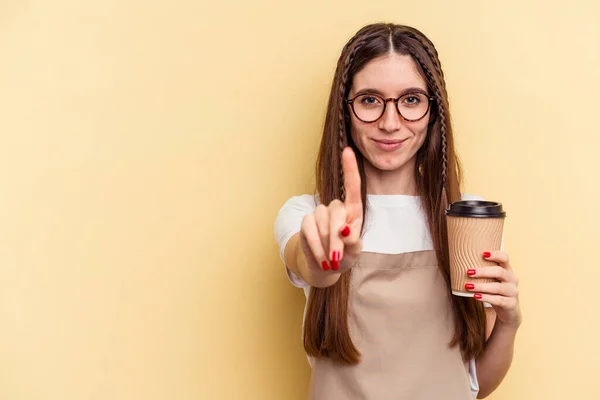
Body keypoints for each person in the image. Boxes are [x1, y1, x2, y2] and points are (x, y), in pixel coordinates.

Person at [274, 23, 522, 399]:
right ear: (346, 111)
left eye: (410, 100)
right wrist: (324, 262)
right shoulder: (310, 216)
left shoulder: (466, 220)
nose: (390, 124)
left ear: (433, 111)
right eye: (370, 100)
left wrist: (508, 323)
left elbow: (474, 385)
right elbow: (309, 262)